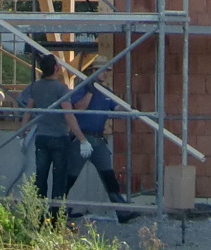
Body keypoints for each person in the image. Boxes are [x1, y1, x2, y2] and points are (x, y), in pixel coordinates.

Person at [60, 80, 134, 221]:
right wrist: (90, 91)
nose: (106, 73)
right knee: (70, 176)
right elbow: (79, 107)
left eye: (107, 70)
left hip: (98, 139)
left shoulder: (106, 91)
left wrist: (129, 109)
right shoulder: (81, 89)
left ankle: (122, 212)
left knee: (108, 176)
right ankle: (57, 209)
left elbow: (116, 107)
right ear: (93, 71)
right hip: (81, 138)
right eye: (103, 70)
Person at [18, 55, 80, 214]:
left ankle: (38, 213)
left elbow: (28, 111)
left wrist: (21, 133)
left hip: (42, 137)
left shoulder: (35, 87)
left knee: (40, 177)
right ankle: (55, 215)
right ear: (55, 68)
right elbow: (68, 115)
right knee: (59, 178)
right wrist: (82, 138)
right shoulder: (61, 88)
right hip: (59, 137)